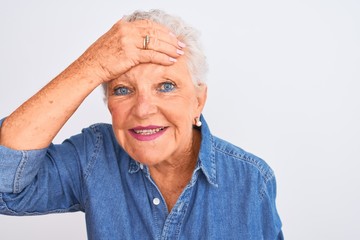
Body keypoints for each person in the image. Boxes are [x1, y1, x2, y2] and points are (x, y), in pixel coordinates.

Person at [0, 9, 283, 239]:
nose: (144, 109)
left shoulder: (251, 180)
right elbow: (6, 186)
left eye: (166, 86)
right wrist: (93, 64)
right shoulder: (94, 155)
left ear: (198, 101)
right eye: (122, 89)